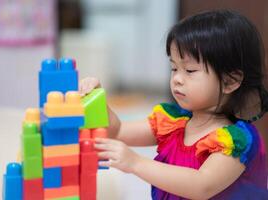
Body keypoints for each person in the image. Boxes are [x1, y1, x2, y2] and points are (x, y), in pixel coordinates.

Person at [79, 10, 268, 199]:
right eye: (174, 68)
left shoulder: (236, 141)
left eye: (190, 70)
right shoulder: (174, 124)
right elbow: (117, 131)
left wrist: (135, 162)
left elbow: (201, 185)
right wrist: (98, 101)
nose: (177, 78)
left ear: (230, 81)